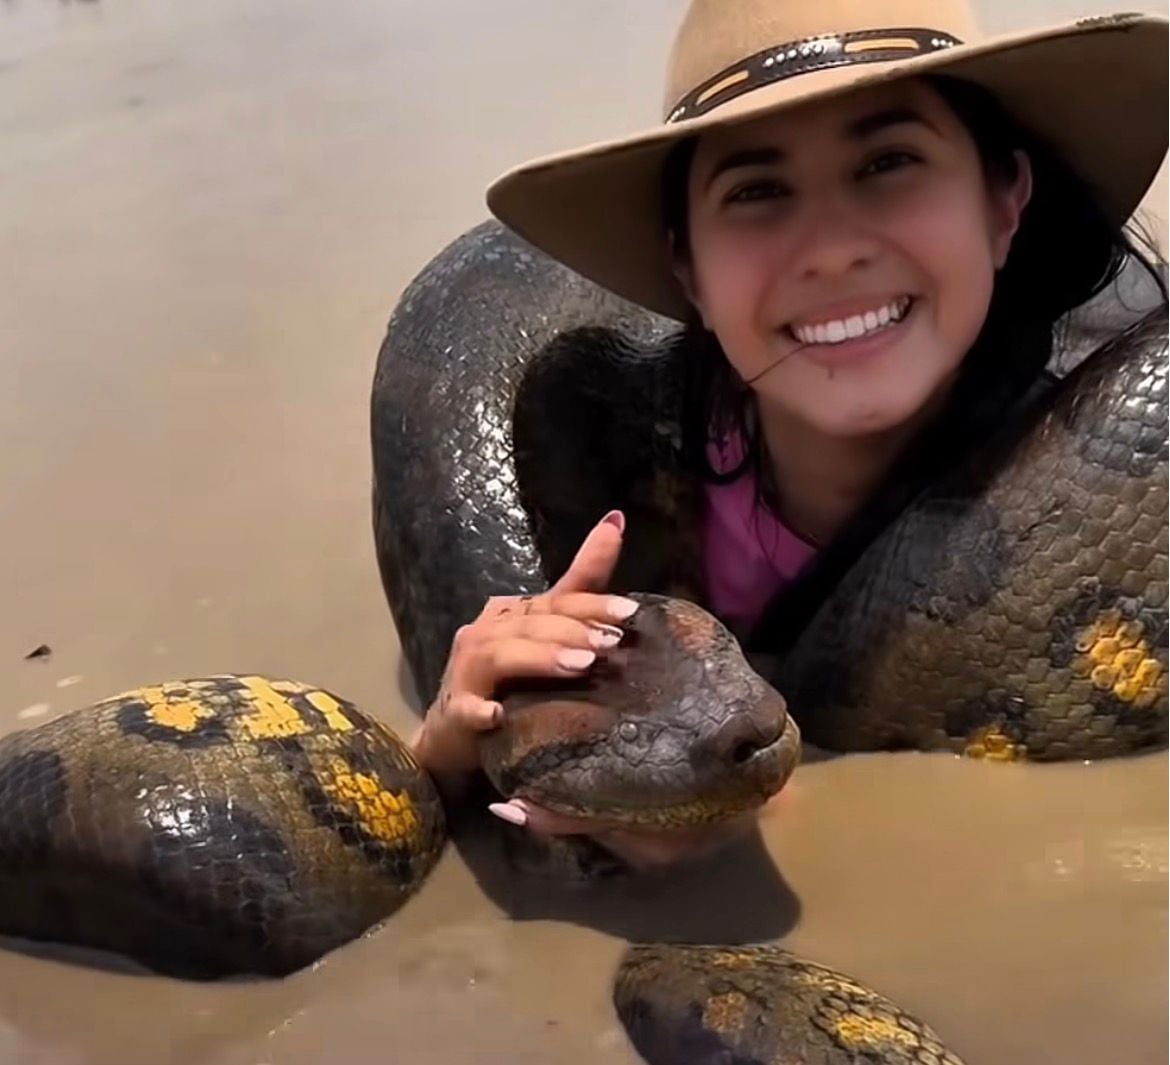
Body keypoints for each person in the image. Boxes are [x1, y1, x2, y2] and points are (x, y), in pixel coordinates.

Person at [409, 0, 1169, 868]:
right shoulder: (598, 457)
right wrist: (447, 757)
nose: (832, 249)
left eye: (889, 162)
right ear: (687, 267)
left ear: (1004, 205)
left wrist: (755, 822)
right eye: (757, 191)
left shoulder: (1123, 444)